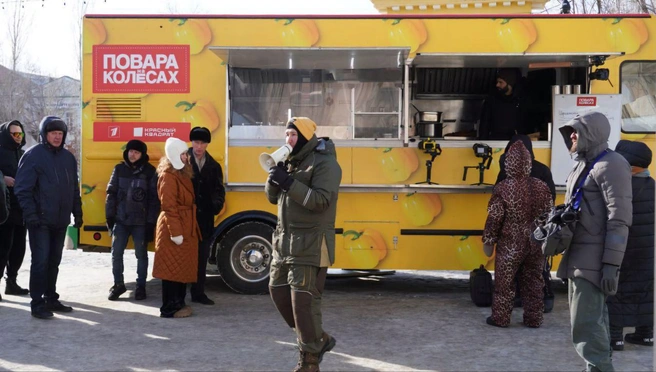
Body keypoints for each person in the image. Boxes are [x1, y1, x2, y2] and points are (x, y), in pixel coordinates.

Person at [557, 111, 632, 372]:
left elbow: (619, 218)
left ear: (593, 133)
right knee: (589, 324)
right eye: (570, 132)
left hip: (593, 261)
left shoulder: (612, 164)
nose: (572, 136)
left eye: (577, 131)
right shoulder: (585, 164)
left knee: (587, 327)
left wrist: (611, 264)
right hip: (579, 257)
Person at [265, 117, 341, 372]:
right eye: (287, 135)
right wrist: (274, 177)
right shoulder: (291, 163)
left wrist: (289, 183)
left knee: (304, 304)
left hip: (311, 243)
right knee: (278, 292)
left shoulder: (325, 163)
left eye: (293, 135)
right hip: (284, 243)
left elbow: (320, 201)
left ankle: (309, 360)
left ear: (306, 137)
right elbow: (271, 197)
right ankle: (318, 339)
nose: (288, 140)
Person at [14, 116, 83, 319]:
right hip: (40, 221)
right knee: (40, 262)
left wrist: (77, 212)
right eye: (53, 133)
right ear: (45, 135)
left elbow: (73, 189)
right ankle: (37, 303)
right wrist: (31, 215)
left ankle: (51, 297)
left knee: (54, 262)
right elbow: (22, 189)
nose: (57, 137)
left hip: (60, 220)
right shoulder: (33, 155)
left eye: (60, 134)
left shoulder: (68, 158)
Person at [482, 141, 553, 328]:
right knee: (534, 282)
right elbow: (549, 215)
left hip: (510, 243)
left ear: (508, 164)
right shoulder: (541, 187)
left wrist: (488, 240)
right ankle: (534, 319)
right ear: (529, 163)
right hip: (536, 242)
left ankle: (500, 318)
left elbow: (495, 218)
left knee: (504, 283)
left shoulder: (503, 188)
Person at [495, 134, 556, 311]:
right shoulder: (542, 170)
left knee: (511, 267)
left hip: (512, 229)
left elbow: (497, 202)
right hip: (537, 228)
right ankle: (538, 307)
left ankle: (510, 304)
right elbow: (550, 198)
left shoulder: (506, 171)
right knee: (535, 268)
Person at [606, 140, 654, 351]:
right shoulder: (653, 186)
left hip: (623, 249)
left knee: (615, 290)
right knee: (647, 289)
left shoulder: (619, 188)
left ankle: (614, 337)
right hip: (649, 253)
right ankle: (646, 335)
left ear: (629, 165)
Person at [105, 139, 159, 301]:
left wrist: (151, 223)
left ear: (142, 154)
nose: (132, 155)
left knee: (141, 255)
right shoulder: (119, 169)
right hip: (121, 220)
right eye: (130, 151)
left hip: (140, 223)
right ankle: (118, 284)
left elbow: (154, 200)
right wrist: (109, 216)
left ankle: (141, 287)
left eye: (136, 152)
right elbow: (111, 193)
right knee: (116, 254)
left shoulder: (150, 171)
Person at [152, 137, 200, 318]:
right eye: (182, 154)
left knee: (180, 268)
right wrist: (176, 232)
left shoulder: (181, 173)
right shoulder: (168, 176)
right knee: (171, 270)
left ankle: (179, 302)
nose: (186, 158)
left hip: (184, 223)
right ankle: (169, 307)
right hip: (173, 227)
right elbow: (169, 207)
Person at [187, 127, 225, 305]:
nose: (199, 146)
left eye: (202, 143)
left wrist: (215, 207)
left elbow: (219, 190)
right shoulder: (182, 161)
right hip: (186, 217)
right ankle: (179, 294)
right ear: (191, 142)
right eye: (196, 142)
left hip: (205, 219)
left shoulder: (214, 165)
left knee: (202, 257)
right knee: (184, 255)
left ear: (208, 144)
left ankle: (198, 292)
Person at [0, 120, 29, 298]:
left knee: (19, 248)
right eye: (15, 134)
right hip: (3, 208)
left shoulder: (24, 154)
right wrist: (3, 178)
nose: (18, 138)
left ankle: (12, 282)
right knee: (3, 248)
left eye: (21, 134)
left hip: (21, 208)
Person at [479, 68, 527, 140]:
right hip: (495, 142)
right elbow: (484, 125)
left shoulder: (520, 101)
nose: (497, 85)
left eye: (500, 82)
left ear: (510, 84)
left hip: (515, 143)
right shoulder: (491, 101)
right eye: (497, 82)